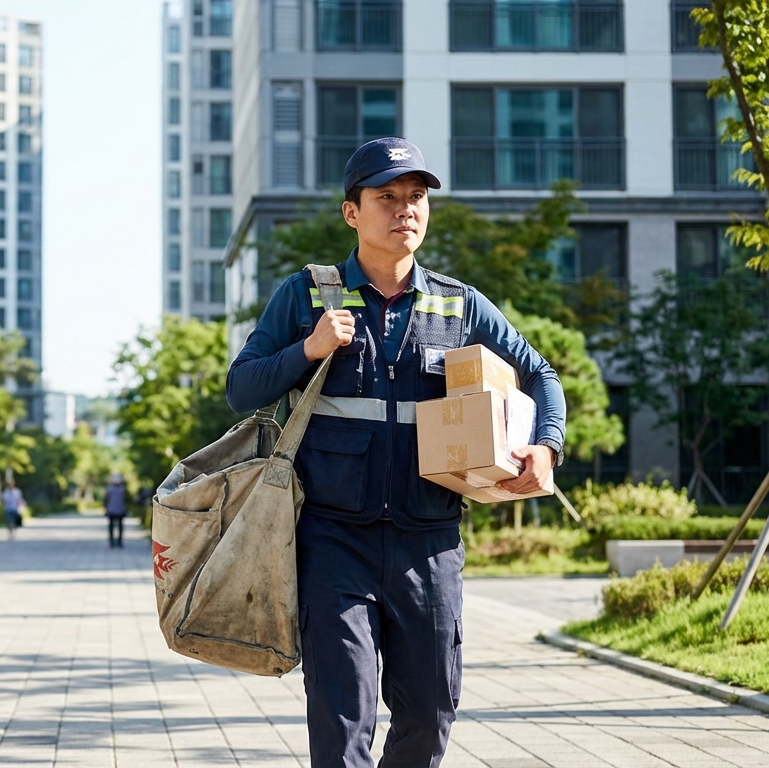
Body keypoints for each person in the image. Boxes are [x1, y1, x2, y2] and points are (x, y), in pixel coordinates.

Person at [225, 137, 566, 767]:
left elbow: (541, 374)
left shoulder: (459, 304)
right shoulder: (306, 297)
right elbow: (239, 387)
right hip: (333, 542)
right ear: (352, 212)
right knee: (342, 718)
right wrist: (308, 349)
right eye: (387, 197)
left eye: (416, 198)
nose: (406, 209)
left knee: (431, 714)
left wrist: (546, 447)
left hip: (430, 544)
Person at [104, 473, 129, 548]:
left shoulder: (109, 489)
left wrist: (106, 508)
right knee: (120, 527)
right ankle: (119, 542)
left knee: (111, 527)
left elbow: (106, 500)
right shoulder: (122, 489)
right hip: (120, 510)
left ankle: (112, 542)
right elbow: (125, 500)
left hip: (111, 510)